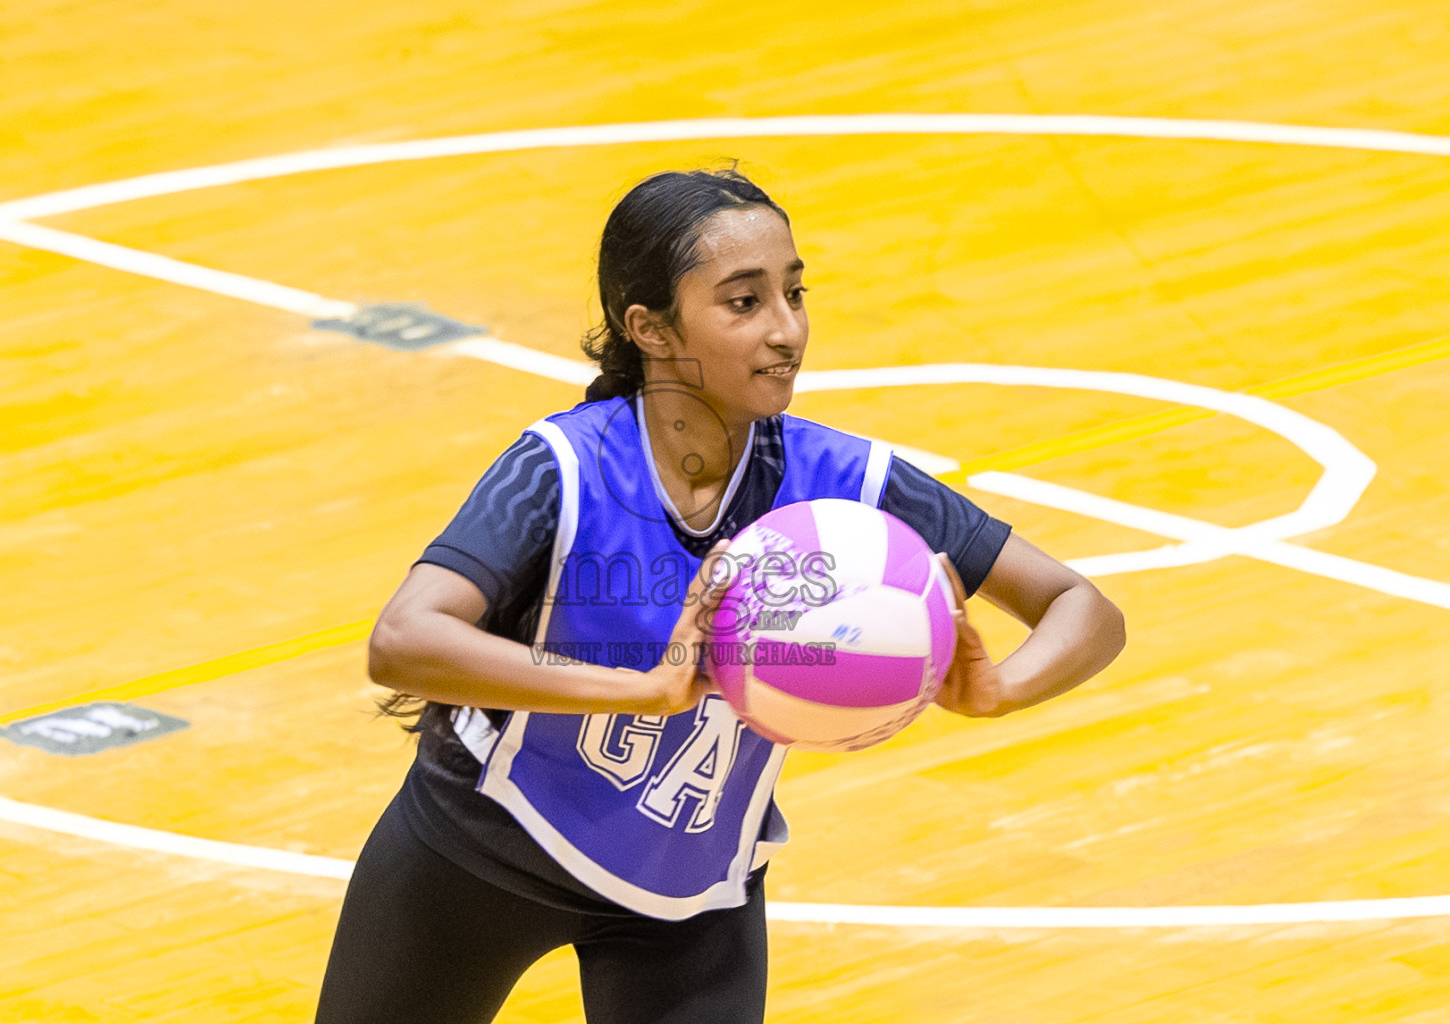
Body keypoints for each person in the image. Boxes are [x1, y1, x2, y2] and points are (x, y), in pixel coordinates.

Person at [315, 169, 1126, 1024]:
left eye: (795, 292)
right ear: (651, 328)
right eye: (744, 303)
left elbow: (1083, 606)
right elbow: (403, 639)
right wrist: (647, 689)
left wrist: (1001, 690)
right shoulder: (564, 468)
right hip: (484, 849)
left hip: (689, 893)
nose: (787, 330)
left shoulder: (844, 480)